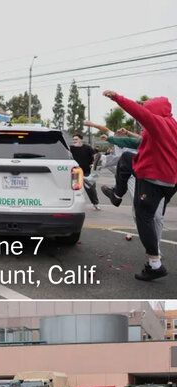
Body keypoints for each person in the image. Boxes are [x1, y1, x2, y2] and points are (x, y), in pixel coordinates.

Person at [103, 90, 177, 281]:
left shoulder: (157, 123)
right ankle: (117, 195)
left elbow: (139, 112)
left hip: (154, 179)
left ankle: (155, 264)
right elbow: (145, 110)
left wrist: (117, 97)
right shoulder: (172, 124)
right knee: (127, 158)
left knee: (144, 217)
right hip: (170, 180)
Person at [69, 134, 100, 209]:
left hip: (87, 172)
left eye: (76, 139)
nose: (74, 141)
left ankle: (95, 203)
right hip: (76, 171)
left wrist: (93, 164)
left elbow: (95, 156)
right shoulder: (71, 148)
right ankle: (75, 205)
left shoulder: (88, 148)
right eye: (73, 140)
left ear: (81, 140)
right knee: (76, 189)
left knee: (91, 188)